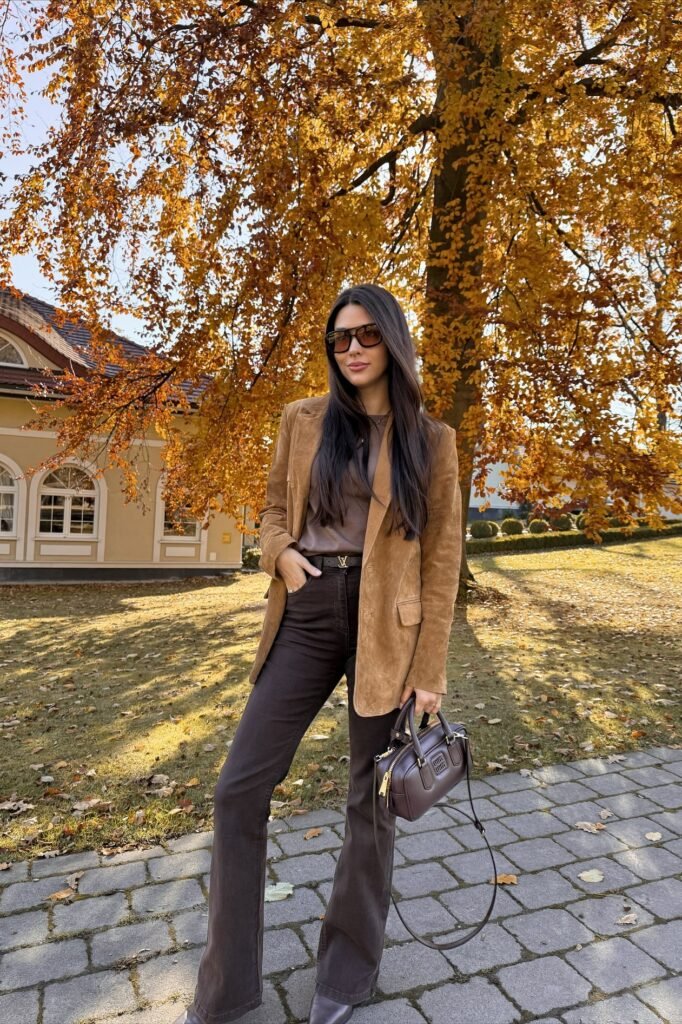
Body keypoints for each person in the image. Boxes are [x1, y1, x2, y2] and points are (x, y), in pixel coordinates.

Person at [175, 283, 463, 1024]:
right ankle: (228, 988)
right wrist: (278, 556)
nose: (354, 349)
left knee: (370, 806)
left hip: (385, 630)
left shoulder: (432, 440)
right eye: (341, 339)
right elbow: (274, 509)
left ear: (392, 341)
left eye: (367, 335)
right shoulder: (302, 421)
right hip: (306, 613)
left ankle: (345, 974)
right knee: (238, 790)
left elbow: (441, 559)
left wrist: (428, 673)